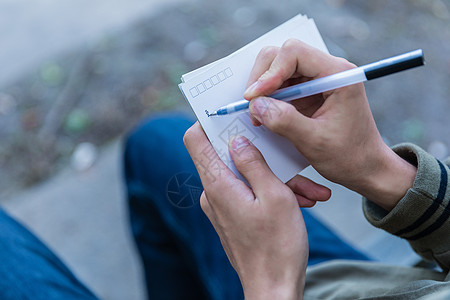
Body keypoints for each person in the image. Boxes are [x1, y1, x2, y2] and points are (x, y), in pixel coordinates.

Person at [182, 39, 450, 299]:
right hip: (358, 280)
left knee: (155, 148)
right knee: (155, 140)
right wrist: (378, 169)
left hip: (288, 281)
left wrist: (270, 285)